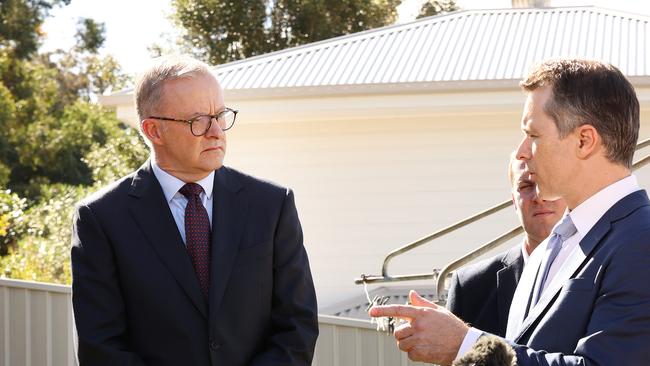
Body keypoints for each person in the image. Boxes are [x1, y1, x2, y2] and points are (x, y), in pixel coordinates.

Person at [369, 59, 650, 365]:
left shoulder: (641, 240)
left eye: (534, 135)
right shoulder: (558, 241)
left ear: (584, 141)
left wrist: (464, 346)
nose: (521, 151)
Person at [71, 55, 318, 366]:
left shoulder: (272, 204)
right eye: (198, 120)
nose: (216, 131)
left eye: (220, 115)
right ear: (154, 131)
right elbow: (101, 347)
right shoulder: (101, 218)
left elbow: (298, 327)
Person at [446, 153, 567, 336]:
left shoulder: (601, 272)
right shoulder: (471, 287)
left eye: (548, 182)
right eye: (526, 186)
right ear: (514, 201)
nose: (539, 196)